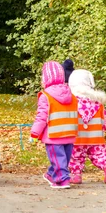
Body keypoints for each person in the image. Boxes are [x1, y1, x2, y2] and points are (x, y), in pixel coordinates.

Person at [30, 61, 78, 189]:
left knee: (57, 158)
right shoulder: (71, 95)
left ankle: (62, 180)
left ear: (46, 78)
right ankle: (52, 174)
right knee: (64, 159)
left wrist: (35, 133)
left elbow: (42, 116)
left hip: (54, 134)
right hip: (69, 133)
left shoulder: (46, 96)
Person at [68, 69, 106, 184]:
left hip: (77, 138)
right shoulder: (98, 103)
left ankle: (76, 175)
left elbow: (68, 119)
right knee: (98, 155)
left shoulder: (72, 102)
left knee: (75, 157)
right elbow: (103, 120)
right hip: (96, 137)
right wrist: (102, 130)